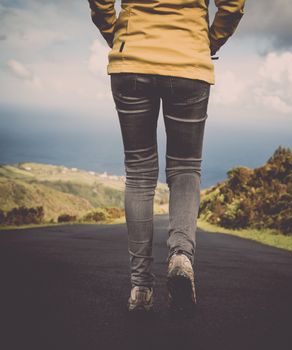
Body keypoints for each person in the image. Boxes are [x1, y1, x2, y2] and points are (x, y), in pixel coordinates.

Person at [88, 0, 245, 315]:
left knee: (140, 173)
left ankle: (141, 287)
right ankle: (181, 256)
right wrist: (208, 41)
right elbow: (233, 4)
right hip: (189, 61)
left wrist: (117, 33)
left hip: (131, 59)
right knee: (186, 168)